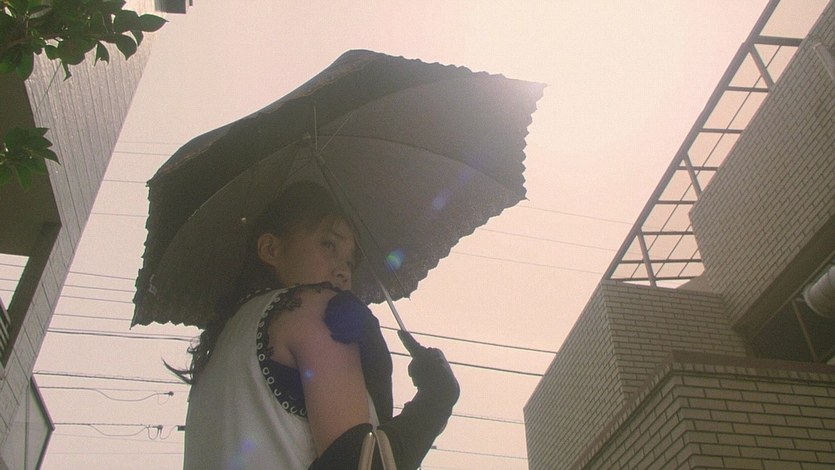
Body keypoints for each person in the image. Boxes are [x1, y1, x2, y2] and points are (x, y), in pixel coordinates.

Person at [176, 181, 460, 469]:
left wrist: (377, 375)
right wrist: (437, 399)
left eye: (350, 262)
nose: (343, 271)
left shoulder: (218, 352)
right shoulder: (314, 307)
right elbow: (361, 463)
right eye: (328, 244)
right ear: (271, 248)